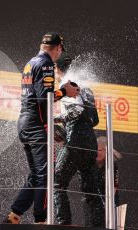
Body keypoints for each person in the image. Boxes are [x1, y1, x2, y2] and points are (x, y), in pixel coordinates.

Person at [3, 32, 79, 224]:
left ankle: (14, 216)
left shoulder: (31, 62)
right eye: (61, 50)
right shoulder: (45, 64)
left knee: (37, 174)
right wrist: (65, 91)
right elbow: (44, 97)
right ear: (58, 48)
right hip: (36, 125)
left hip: (26, 123)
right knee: (46, 174)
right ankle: (41, 221)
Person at [53, 53, 103, 227]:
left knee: (56, 182)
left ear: (57, 69)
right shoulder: (87, 88)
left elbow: (77, 111)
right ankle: (98, 226)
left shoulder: (67, 84)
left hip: (75, 141)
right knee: (91, 191)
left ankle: (63, 224)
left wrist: (57, 119)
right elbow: (94, 120)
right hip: (91, 144)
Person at [95, 136, 121, 227]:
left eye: (101, 150)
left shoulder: (112, 165)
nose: (98, 152)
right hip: (94, 201)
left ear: (107, 151)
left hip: (109, 201)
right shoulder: (91, 164)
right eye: (96, 149)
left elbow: (114, 186)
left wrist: (107, 204)